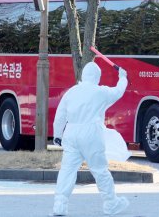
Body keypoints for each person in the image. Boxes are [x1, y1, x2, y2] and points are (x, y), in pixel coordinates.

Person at [51, 61, 129, 216]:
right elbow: (119, 91)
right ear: (97, 77)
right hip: (92, 134)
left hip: (71, 133)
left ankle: (59, 205)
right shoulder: (100, 92)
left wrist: (57, 135)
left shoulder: (71, 92)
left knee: (67, 170)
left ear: (83, 75)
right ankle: (111, 203)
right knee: (100, 170)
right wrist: (123, 77)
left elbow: (60, 116)